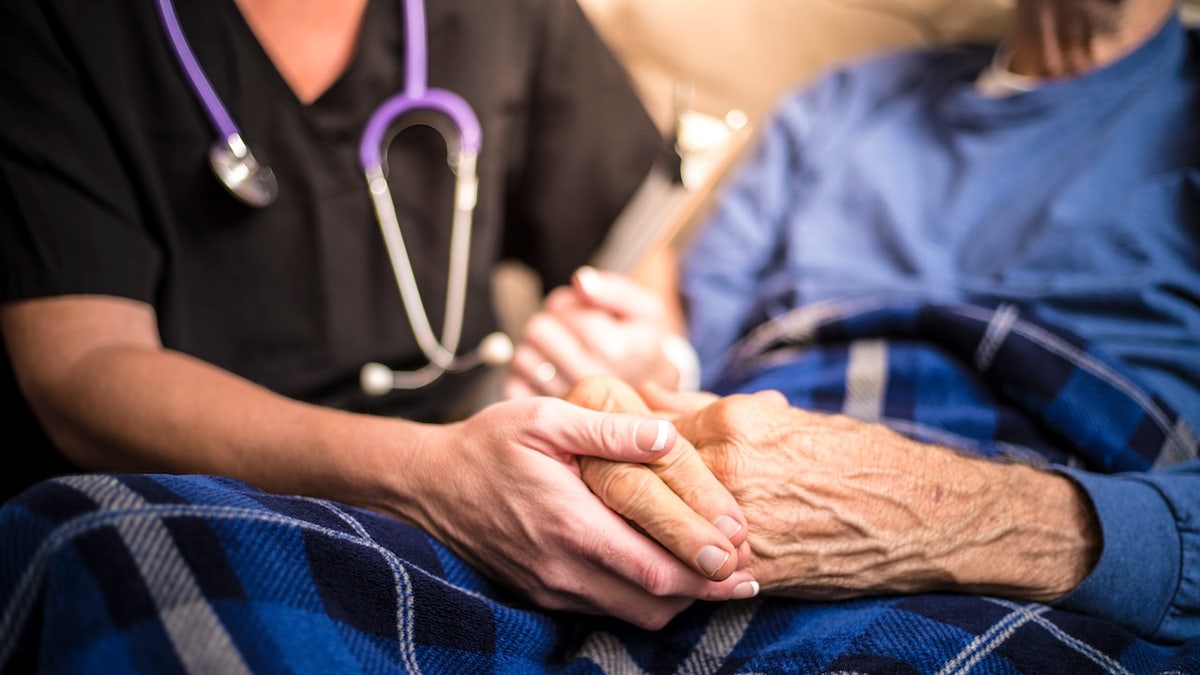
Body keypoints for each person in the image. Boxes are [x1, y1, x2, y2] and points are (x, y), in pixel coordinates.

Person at [0, 0, 761, 635]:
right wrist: (427, 477)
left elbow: (632, 251)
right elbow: (79, 365)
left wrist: (639, 355)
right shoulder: (57, 25)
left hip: (491, 500)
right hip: (189, 505)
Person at [513, 0, 1200, 645]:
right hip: (747, 471)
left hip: (1061, 518)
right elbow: (698, 346)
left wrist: (945, 517)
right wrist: (647, 364)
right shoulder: (840, 103)